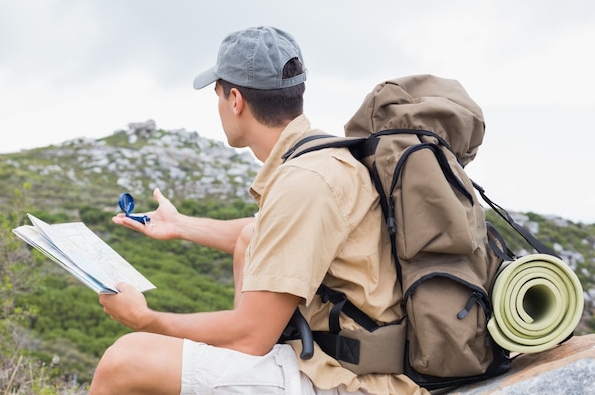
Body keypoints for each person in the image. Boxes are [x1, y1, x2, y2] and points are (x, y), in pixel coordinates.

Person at [88, 26, 428, 395]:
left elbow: (250, 336)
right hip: (338, 359)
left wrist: (145, 319)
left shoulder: (304, 180)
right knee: (250, 239)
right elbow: (268, 233)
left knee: (125, 360)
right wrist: (180, 225)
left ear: (235, 100)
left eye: (217, 94)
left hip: (351, 380)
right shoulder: (321, 157)